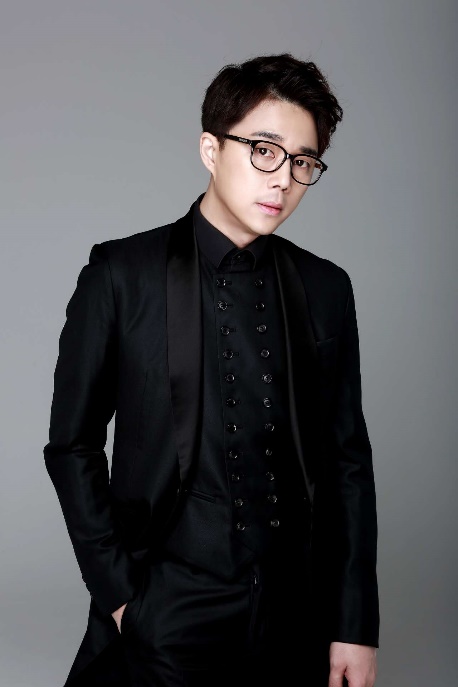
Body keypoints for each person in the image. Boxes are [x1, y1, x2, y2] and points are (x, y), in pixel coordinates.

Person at [44, 53, 379, 687]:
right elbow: (71, 445)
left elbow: (347, 463)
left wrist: (355, 625)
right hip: (166, 604)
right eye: (264, 151)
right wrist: (121, 597)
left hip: (296, 610)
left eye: (303, 162)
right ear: (210, 149)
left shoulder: (327, 288)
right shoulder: (121, 275)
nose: (282, 180)